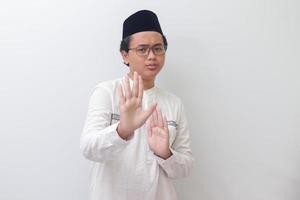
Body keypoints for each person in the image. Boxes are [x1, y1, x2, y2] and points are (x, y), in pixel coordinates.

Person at [80, 10, 194, 200]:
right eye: (142, 49)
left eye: (158, 48)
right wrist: (122, 130)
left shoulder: (173, 103)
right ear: (125, 55)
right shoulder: (106, 92)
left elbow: (185, 168)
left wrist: (165, 153)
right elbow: (89, 149)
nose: (152, 56)